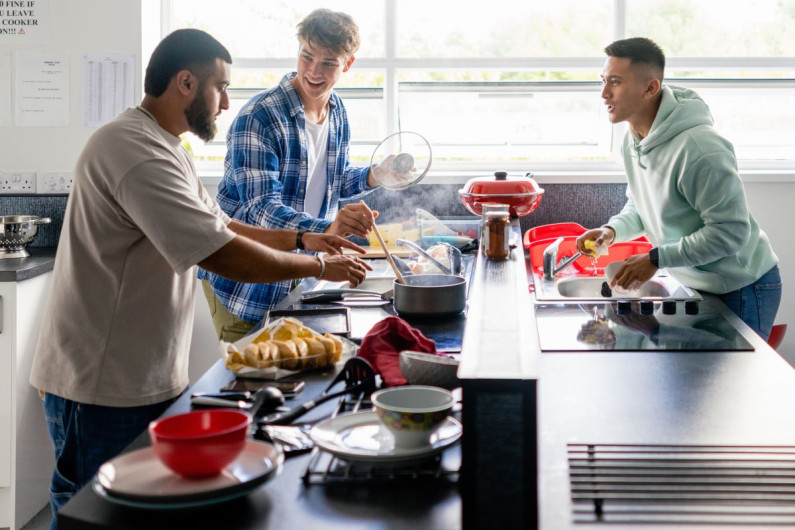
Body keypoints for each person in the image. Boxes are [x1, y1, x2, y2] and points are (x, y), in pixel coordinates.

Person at [29, 28, 371, 527]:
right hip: (98, 381)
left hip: (139, 373)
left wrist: (306, 240)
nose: (228, 103)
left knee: (139, 510)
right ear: (185, 83)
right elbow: (223, 254)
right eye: (221, 87)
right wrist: (321, 266)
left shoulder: (167, 146)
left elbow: (223, 224)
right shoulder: (135, 151)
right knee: (93, 512)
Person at [198, 8, 386, 342]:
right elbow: (261, 210)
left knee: (296, 379)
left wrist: (375, 175)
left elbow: (333, 180)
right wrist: (326, 230)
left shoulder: (337, 111)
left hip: (303, 273)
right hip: (247, 285)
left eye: (328, 62)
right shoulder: (259, 117)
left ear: (348, 63)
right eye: (307, 56)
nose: (314, 71)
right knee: (252, 383)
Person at [576, 37, 781, 340]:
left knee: (730, 384)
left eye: (615, 82)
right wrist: (612, 231)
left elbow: (730, 232)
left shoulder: (701, 149)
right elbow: (641, 205)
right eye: (603, 81)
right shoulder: (632, 140)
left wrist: (656, 259)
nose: (604, 93)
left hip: (741, 287)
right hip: (694, 279)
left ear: (650, 88)